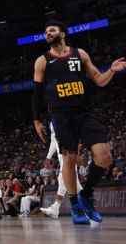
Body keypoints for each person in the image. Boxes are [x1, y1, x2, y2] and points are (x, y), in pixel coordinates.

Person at [32, 20, 125, 225]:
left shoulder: (80, 54)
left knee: (104, 156)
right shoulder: (42, 61)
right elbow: (37, 93)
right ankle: (75, 206)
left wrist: (112, 70)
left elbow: (99, 80)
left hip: (84, 112)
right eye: (46, 31)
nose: (48, 33)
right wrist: (36, 119)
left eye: (52, 30)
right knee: (69, 158)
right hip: (61, 115)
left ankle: (87, 194)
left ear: (62, 34)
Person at [40, 121, 83, 218]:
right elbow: (53, 141)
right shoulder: (52, 123)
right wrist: (48, 157)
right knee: (71, 183)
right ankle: (87, 205)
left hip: (69, 153)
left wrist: (77, 153)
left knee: (65, 180)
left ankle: (56, 208)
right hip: (61, 155)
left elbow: (76, 136)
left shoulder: (67, 117)